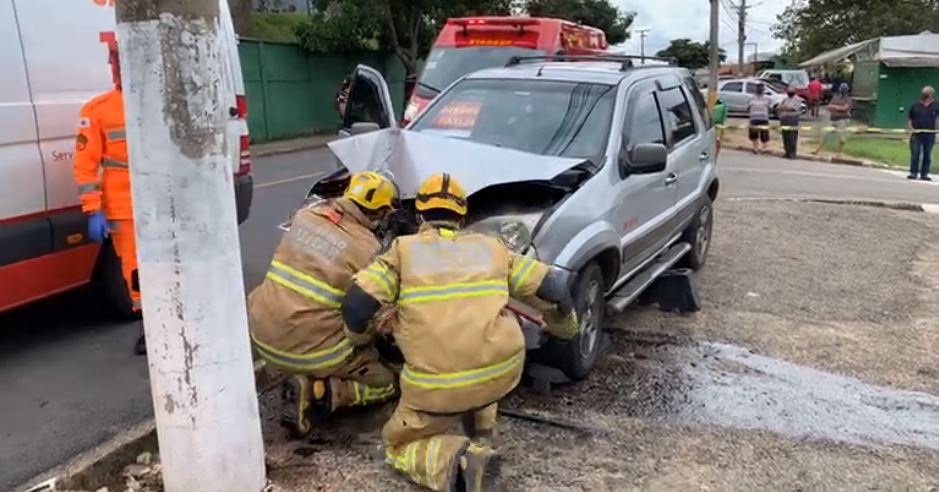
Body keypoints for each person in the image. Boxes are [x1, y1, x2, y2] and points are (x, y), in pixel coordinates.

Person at [340, 173, 580, 492]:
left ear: (419, 215)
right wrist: (566, 330)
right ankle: (481, 434)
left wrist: (361, 341)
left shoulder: (402, 252)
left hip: (436, 387)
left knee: (397, 444)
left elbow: (357, 307)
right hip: (501, 374)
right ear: (463, 217)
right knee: (482, 355)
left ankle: (462, 463)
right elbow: (555, 286)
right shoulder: (492, 249)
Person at [248, 171, 401, 437]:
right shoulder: (368, 249)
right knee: (388, 381)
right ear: (381, 213)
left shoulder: (304, 216)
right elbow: (366, 317)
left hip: (261, 338)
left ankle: (300, 371)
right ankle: (326, 393)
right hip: (312, 352)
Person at [72, 39, 146, 355]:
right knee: (136, 270)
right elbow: (85, 164)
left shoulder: (156, 103)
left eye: (119, 60)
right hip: (124, 206)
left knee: (171, 264)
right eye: (113, 60)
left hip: (165, 202)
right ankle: (151, 328)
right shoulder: (97, 111)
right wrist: (93, 209)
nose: (115, 66)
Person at [907, 85, 939, 181]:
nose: (924, 95)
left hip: (930, 134)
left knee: (927, 154)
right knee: (915, 153)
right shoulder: (915, 105)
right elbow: (910, 118)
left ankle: (924, 174)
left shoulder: (936, 105)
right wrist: (911, 128)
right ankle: (913, 172)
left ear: (930, 95)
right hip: (917, 133)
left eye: (926, 93)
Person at [813, 82, 852, 158]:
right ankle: (817, 150)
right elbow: (829, 107)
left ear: (847, 90)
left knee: (841, 137)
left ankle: (839, 153)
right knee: (825, 134)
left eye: (845, 89)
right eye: (842, 88)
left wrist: (834, 107)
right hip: (833, 119)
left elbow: (845, 108)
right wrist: (837, 108)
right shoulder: (835, 97)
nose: (843, 90)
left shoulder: (848, 99)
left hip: (843, 120)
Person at [778, 85, 803, 159]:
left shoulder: (798, 99)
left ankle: (792, 153)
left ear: (794, 91)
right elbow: (779, 107)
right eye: (788, 90)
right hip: (784, 119)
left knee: (792, 137)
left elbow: (793, 108)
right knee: (785, 136)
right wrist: (784, 108)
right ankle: (787, 152)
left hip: (792, 119)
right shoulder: (785, 99)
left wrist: (784, 108)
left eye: (791, 90)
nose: (789, 91)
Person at [747, 83, 772, 154]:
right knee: (753, 134)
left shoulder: (767, 98)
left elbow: (769, 109)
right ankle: (755, 148)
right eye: (758, 88)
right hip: (753, 118)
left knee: (764, 135)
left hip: (764, 118)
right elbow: (748, 108)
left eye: (761, 88)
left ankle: (763, 149)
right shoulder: (751, 98)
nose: (759, 89)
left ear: (763, 90)